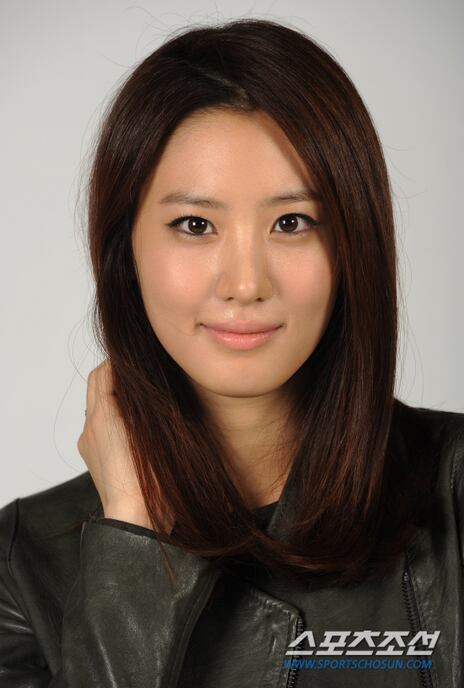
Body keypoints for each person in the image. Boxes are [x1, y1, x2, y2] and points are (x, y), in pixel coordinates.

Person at [0, 17, 462, 688]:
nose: (246, 284)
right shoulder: (21, 565)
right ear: (126, 251)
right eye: (195, 225)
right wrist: (130, 541)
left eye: (291, 223)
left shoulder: (454, 492)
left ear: (352, 248)